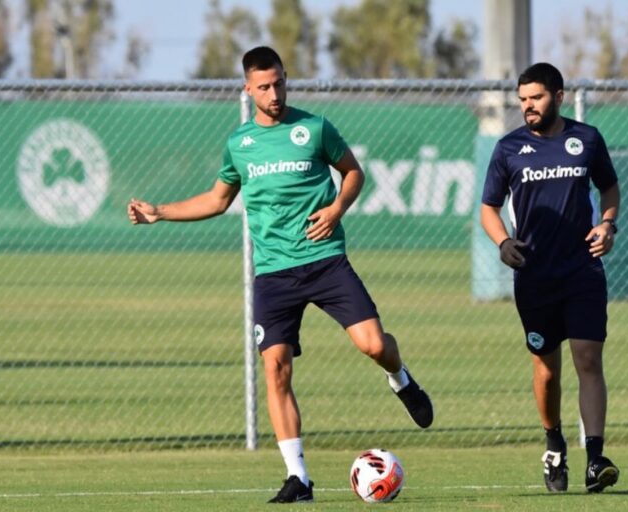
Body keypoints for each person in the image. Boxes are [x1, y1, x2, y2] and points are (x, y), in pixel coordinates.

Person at [128, 46, 433, 503]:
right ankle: (299, 478)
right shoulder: (240, 144)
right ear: (248, 89)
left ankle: (401, 379)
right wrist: (160, 212)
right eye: (264, 87)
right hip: (273, 273)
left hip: (326, 260)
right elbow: (217, 200)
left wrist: (336, 208)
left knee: (373, 345)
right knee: (276, 368)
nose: (274, 94)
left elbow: (353, 173)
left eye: (279, 83)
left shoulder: (314, 128)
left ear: (286, 79)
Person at [481, 62, 620, 494]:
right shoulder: (508, 148)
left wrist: (608, 225)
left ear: (559, 97)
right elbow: (488, 208)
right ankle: (554, 442)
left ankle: (595, 459)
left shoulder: (587, 139)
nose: (528, 106)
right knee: (546, 369)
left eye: (536, 98)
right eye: (523, 100)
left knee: (588, 359)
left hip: (583, 270)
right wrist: (503, 242)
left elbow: (609, 187)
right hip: (535, 276)